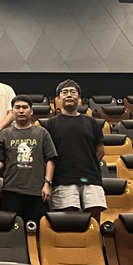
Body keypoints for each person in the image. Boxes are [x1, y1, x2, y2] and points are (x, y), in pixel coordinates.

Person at [44, 79, 106, 222]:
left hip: (91, 179)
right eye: (64, 92)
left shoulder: (92, 122)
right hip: (62, 180)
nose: (69, 95)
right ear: (58, 99)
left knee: (94, 221)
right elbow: (48, 154)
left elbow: (100, 150)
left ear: (79, 98)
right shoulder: (50, 124)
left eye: (73, 92)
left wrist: (87, 165)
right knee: (69, 222)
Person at [0, 95, 57, 225]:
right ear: (12, 111)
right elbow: (0, 161)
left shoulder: (42, 133)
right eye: (17, 107)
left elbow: (51, 160)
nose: (21, 110)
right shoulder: (5, 134)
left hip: (36, 191)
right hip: (11, 191)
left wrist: (47, 184)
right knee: (13, 230)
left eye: (25, 107)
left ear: (31, 111)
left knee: (37, 229)